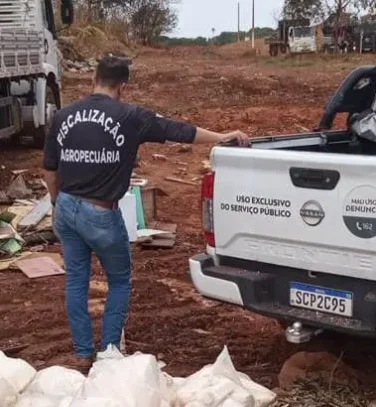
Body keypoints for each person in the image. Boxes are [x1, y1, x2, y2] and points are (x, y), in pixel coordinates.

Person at [43, 56, 249, 374]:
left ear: (92, 81)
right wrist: (221, 136)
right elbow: (179, 131)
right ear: (122, 86)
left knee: (76, 281)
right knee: (120, 281)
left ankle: (83, 354)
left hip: (67, 207)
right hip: (101, 212)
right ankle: (109, 352)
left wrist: (58, 204)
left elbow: (50, 169)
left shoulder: (63, 115)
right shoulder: (130, 116)